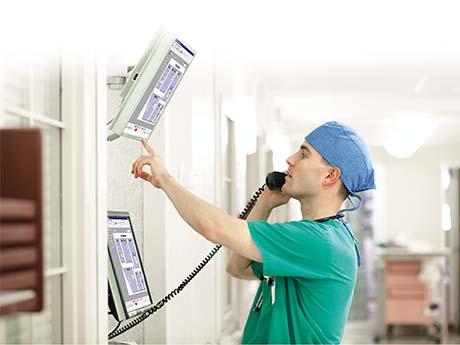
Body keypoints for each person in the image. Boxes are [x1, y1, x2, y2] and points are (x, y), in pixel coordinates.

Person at [131, 121, 376, 344]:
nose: (290, 159)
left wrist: (165, 179)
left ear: (330, 175)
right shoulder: (322, 236)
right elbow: (238, 268)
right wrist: (264, 203)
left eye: (303, 154)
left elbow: (213, 227)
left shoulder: (319, 242)